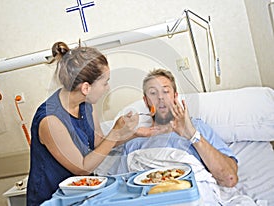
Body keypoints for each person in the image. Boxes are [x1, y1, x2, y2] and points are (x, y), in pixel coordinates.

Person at [27, 42, 139, 205]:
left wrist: (133, 133)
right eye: (105, 82)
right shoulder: (50, 121)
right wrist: (115, 132)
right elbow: (82, 167)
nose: (107, 88)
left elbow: (98, 143)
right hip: (52, 200)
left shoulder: (86, 104)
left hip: (80, 195)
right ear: (86, 87)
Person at [122, 68, 238, 188]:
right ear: (146, 101)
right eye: (153, 93)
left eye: (165, 91)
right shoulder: (134, 139)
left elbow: (229, 179)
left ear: (175, 97)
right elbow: (125, 185)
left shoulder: (196, 127)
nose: (160, 97)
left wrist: (192, 136)